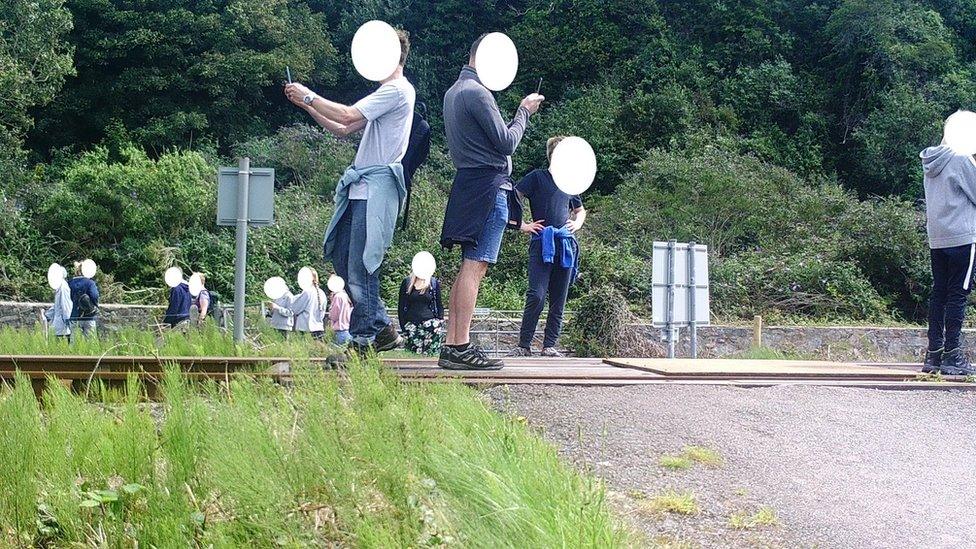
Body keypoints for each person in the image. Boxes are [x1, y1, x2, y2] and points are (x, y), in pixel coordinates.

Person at [284, 29, 413, 355]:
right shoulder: (386, 93)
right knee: (344, 262)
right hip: (360, 190)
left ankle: (364, 339)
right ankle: (381, 328)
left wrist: (309, 96)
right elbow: (343, 129)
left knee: (361, 268)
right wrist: (307, 106)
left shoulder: (397, 90)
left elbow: (347, 114)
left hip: (376, 191)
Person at [438, 33, 545, 370]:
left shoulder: (453, 92)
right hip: (489, 186)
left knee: (468, 266)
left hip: (468, 184)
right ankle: (462, 346)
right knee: (477, 265)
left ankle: (453, 344)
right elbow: (507, 142)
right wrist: (523, 112)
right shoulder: (477, 93)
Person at [509, 136, 586, 358]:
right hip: (541, 242)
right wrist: (522, 225)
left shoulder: (569, 182)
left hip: (565, 245)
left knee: (559, 298)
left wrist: (577, 223)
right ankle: (524, 345)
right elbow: (515, 194)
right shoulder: (536, 177)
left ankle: (549, 346)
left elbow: (580, 210)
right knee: (537, 295)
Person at [921, 112, 976, 376]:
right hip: (964, 237)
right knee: (958, 294)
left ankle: (933, 355)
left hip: (938, 237)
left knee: (939, 293)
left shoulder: (931, 161)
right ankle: (953, 355)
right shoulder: (962, 159)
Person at [397, 270, 445, 356]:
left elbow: (439, 304)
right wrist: (403, 326)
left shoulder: (433, 283)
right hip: (411, 324)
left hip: (431, 325)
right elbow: (401, 306)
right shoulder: (407, 282)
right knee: (413, 354)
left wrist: (440, 321)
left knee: (431, 354)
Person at [288, 269, 328, 340]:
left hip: (306, 329)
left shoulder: (307, 292)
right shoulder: (322, 293)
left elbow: (295, 309)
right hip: (319, 328)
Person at [67, 261, 99, 341]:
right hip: (88, 315)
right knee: (91, 343)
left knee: (74, 343)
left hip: (74, 315)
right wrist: (95, 305)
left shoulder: (69, 283)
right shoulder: (90, 283)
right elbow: (95, 296)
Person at [329, 279, 353, 345]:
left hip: (341, 332)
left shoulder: (338, 297)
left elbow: (334, 316)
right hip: (349, 330)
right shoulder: (347, 295)